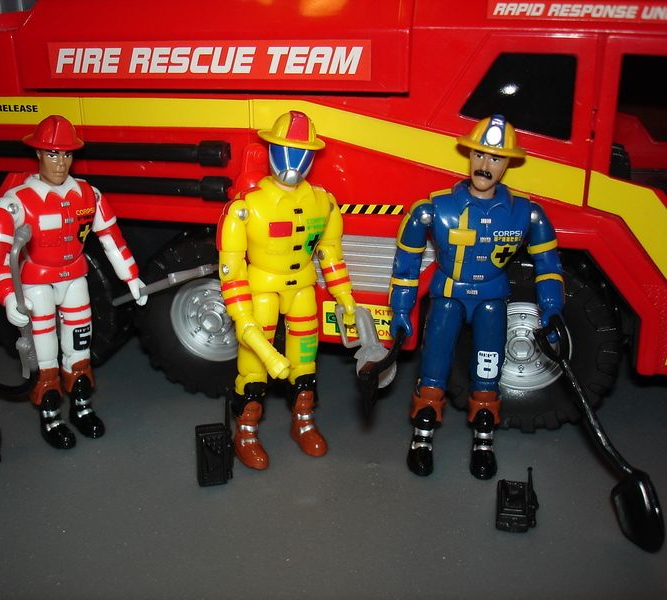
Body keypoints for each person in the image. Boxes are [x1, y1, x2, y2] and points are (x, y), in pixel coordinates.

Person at [389, 115, 564, 479]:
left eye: (495, 158)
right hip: (448, 297)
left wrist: (551, 306)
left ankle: (483, 441)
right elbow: (406, 263)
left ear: (508, 163)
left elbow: (548, 263)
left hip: (491, 301)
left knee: (488, 368)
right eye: (480, 155)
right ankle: (422, 438)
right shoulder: (435, 209)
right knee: (434, 366)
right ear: (469, 155)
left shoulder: (526, 214)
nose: (485, 165)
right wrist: (402, 307)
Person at [0, 115, 148, 449]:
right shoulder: (15, 202)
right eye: (52, 154)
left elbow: (111, 239)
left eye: (67, 154)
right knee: (44, 353)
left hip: (74, 279)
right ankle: (51, 417)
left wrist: (132, 277)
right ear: (38, 154)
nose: (60, 162)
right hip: (36, 284)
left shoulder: (89, 195)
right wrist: (8, 295)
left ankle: (82, 408)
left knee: (79, 347)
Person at [217, 110, 357, 470]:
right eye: (285, 151)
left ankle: (303, 422)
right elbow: (232, 271)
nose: (293, 162)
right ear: (270, 151)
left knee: (305, 363)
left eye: (302, 153)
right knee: (253, 368)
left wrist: (344, 296)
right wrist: (243, 318)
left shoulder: (323, 202)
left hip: (303, 290)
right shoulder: (246, 208)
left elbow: (330, 253)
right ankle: (245, 432)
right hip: (261, 290)